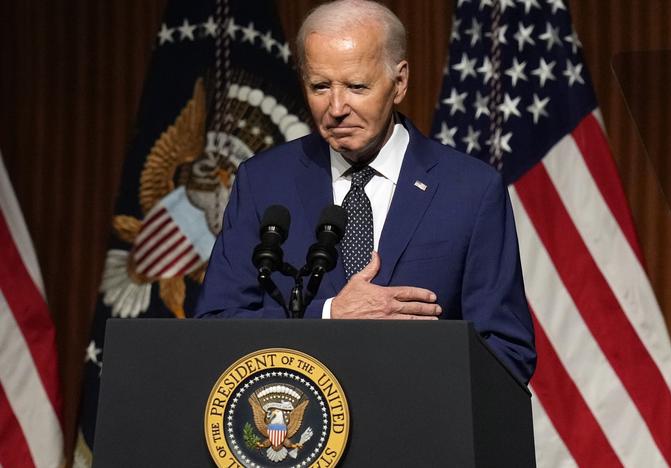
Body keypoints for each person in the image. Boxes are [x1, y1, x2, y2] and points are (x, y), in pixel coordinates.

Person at [195, 0, 536, 383]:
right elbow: (215, 324)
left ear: (400, 82)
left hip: (421, 430)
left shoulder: (469, 190)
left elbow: (507, 351)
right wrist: (329, 316)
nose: (336, 107)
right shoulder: (263, 181)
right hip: (295, 429)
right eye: (320, 86)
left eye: (357, 86)